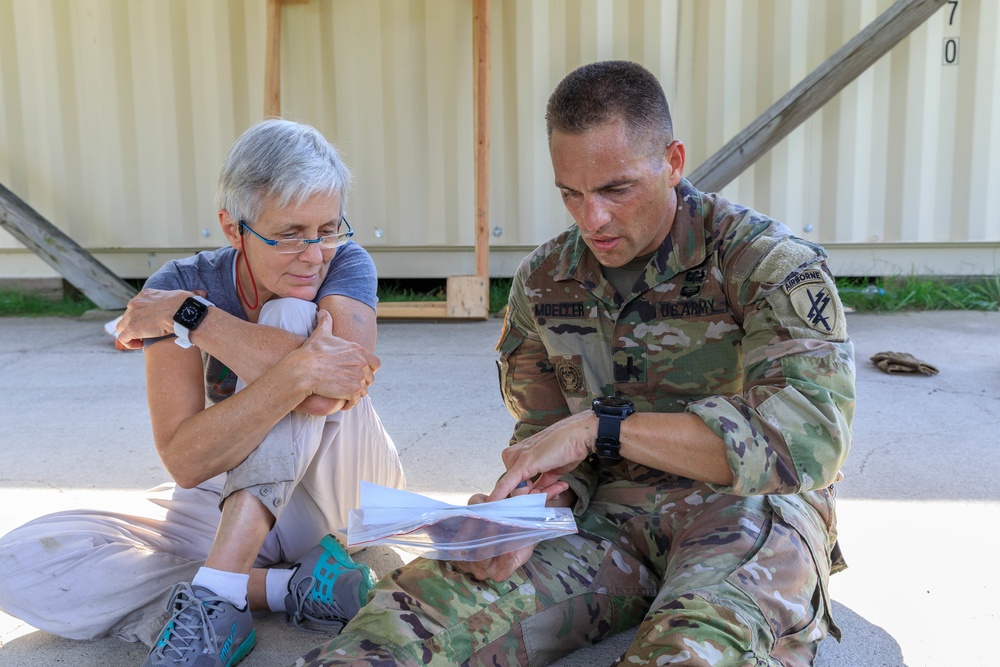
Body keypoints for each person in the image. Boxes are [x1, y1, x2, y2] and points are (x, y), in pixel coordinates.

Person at [296, 61, 855, 667]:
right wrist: (528, 516)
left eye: (616, 189)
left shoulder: (763, 262)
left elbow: (811, 440)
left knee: (697, 649)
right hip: (601, 512)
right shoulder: (544, 281)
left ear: (672, 161)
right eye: (571, 193)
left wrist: (602, 426)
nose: (593, 220)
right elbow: (545, 435)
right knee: (404, 622)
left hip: (744, 504)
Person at [0, 119, 406, 666]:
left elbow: (325, 392)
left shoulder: (342, 264)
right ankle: (290, 589)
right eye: (288, 234)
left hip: (344, 490)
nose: (314, 254)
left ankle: (216, 595)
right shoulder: (181, 279)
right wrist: (275, 360)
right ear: (233, 228)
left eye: (328, 228)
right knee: (18, 562)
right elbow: (186, 460)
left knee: (292, 317)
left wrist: (191, 317)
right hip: (232, 485)